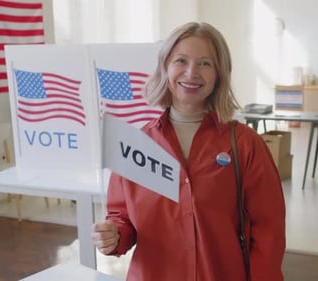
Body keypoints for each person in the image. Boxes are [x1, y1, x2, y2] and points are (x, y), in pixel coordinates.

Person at [91, 22, 286, 281]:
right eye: (181, 60)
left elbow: (268, 233)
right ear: (165, 67)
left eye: (205, 63)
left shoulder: (244, 144)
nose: (191, 73)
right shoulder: (135, 144)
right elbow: (122, 216)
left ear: (219, 73)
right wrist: (114, 234)